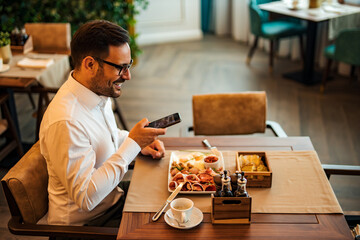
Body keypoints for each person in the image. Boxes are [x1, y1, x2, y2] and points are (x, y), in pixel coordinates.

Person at [39, 20, 167, 227]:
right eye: (121, 68)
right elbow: (86, 198)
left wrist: (136, 142)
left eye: (129, 65)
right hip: (87, 225)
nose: (128, 76)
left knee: (172, 193)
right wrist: (132, 144)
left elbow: (105, 136)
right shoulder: (66, 121)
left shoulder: (95, 91)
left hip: (111, 199)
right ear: (90, 64)